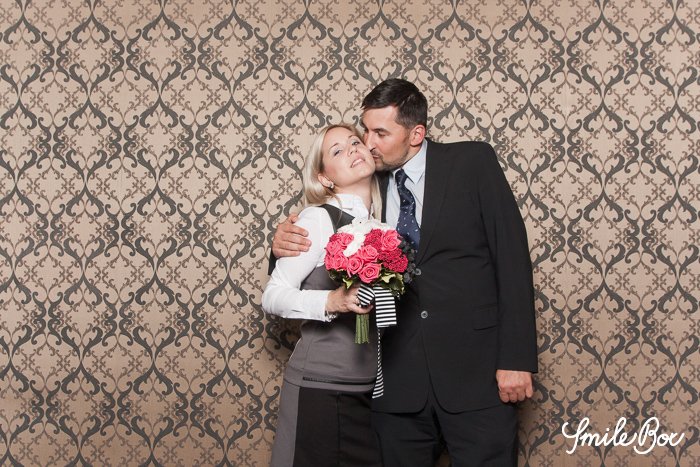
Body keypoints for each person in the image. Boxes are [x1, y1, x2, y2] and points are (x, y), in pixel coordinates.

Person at [271, 79, 538, 466]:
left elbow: (511, 260)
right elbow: (318, 242)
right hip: (396, 386)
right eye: (365, 130)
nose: (368, 143)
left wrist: (516, 359)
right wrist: (280, 244)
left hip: (477, 377)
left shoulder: (471, 163)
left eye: (380, 133)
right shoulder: (366, 181)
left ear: (416, 134)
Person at [262, 123, 383, 467]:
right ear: (325, 177)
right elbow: (272, 296)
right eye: (337, 150)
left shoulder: (384, 225)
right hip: (320, 387)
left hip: (368, 392)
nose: (353, 149)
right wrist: (332, 301)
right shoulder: (316, 219)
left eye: (355, 142)